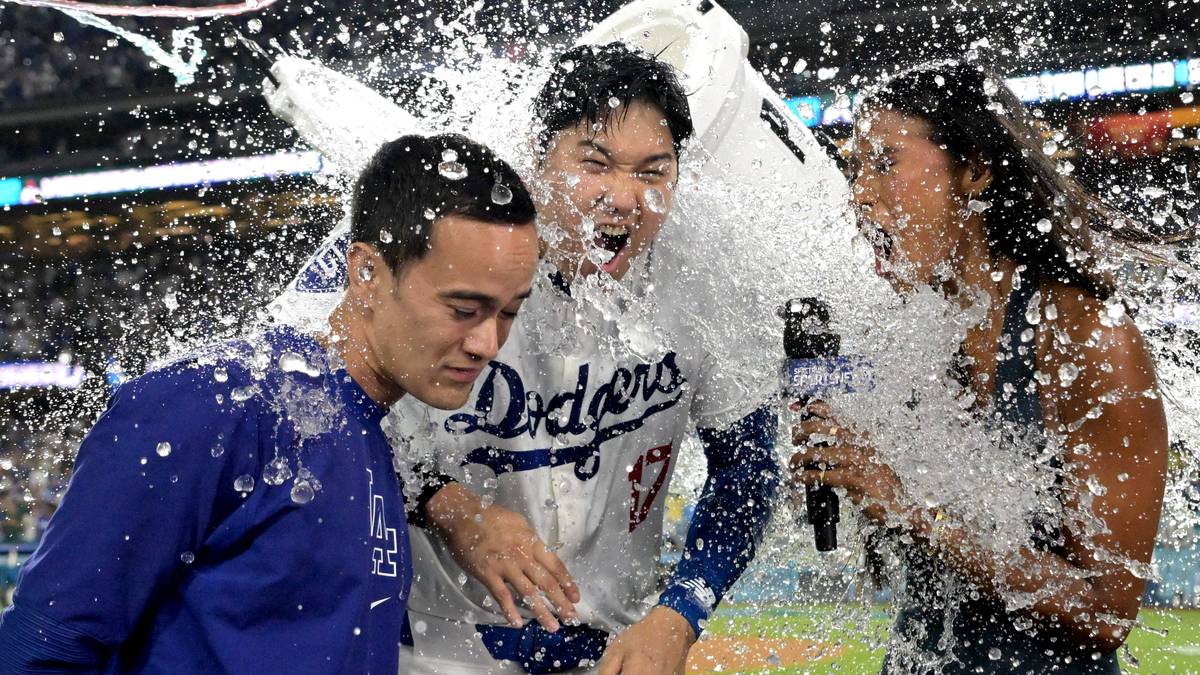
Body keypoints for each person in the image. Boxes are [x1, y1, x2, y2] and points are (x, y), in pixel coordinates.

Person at [0, 133, 540, 674]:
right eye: (464, 308)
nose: (487, 344)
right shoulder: (212, 401)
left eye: (509, 312)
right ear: (367, 273)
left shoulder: (371, 434)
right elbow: (41, 648)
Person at [391, 43, 780, 674]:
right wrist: (451, 507)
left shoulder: (711, 289)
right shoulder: (461, 265)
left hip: (613, 649)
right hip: (437, 644)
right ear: (538, 162)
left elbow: (750, 470)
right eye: (595, 164)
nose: (624, 198)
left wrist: (681, 612)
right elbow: (346, 418)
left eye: (653, 172)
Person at [790, 61, 1170, 674]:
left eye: (884, 162)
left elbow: (1108, 612)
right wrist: (836, 458)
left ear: (975, 170)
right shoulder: (911, 330)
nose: (859, 192)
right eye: (855, 168)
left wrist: (911, 507)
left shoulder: (1088, 338)